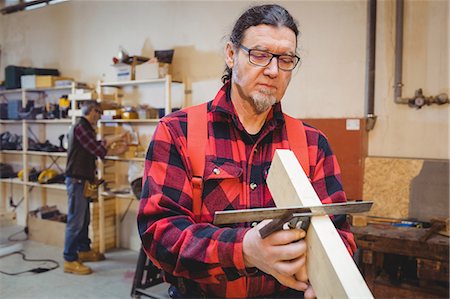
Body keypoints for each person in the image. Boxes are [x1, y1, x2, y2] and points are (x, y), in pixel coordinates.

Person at [138, 4, 356, 298]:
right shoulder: (179, 132)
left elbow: (339, 231)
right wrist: (244, 250)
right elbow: (160, 233)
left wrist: (321, 270)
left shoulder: (313, 144)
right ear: (231, 54)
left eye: (286, 59)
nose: (273, 70)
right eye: (260, 55)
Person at [63, 100, 128, 275]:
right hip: (77, 180)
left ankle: (83, 250)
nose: (99, 117)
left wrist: (117, 147)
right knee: (75, 221)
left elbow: (98, 150)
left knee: (84, 218)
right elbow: (98, 149)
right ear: (92, 111)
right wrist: (117, 138)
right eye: (99, 113)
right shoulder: (81, 127)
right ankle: (69, 259)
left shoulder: (85, 128)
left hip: (84, 180)